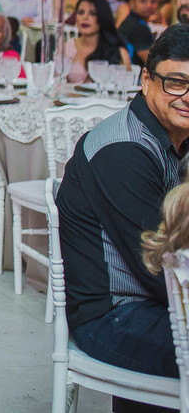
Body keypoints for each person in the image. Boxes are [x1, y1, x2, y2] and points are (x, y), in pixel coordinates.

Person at [57, 24, 189, 409]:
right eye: (175, 82)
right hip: (113, 316)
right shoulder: (124, 150)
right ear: (146, 80)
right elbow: (158, 268)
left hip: (159, 299)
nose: (186, 96)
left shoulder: (176, 137)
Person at [64, 0, 132, 84]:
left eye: (92, 13)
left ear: (102, 17)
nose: (85, 17)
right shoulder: (68, 46)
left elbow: (125, 87)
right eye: (81, 12)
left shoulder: (118, 51)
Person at [118, 0, 160, 65]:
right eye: (143, 1)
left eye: (153, 1)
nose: (149, 5)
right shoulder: (137, 27)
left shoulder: (130, 21)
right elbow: (151, 63)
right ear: (132, 3)